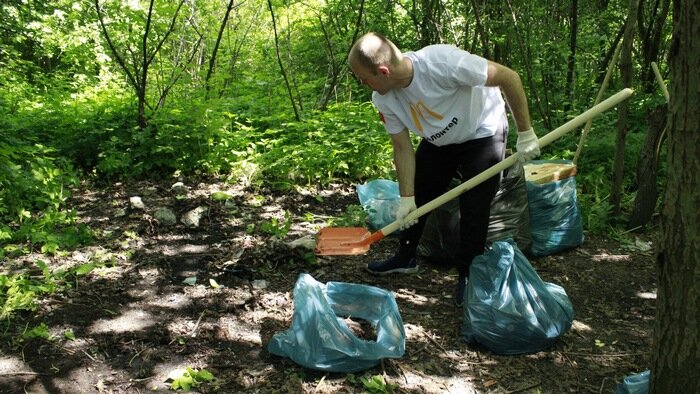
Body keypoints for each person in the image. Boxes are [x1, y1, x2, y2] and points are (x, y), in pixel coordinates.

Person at [348, 32, 540, 306]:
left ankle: (467, 274)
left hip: (482, 130)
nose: (361, 83)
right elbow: (402, 149)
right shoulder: (384, 98)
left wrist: (526, 133)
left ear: (382, 71)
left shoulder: (442, 63)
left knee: (475, 205)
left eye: (363, 77)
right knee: (422, 191)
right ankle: (406, 255)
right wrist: (406, 199)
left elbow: (509, 76)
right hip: (439, 139)